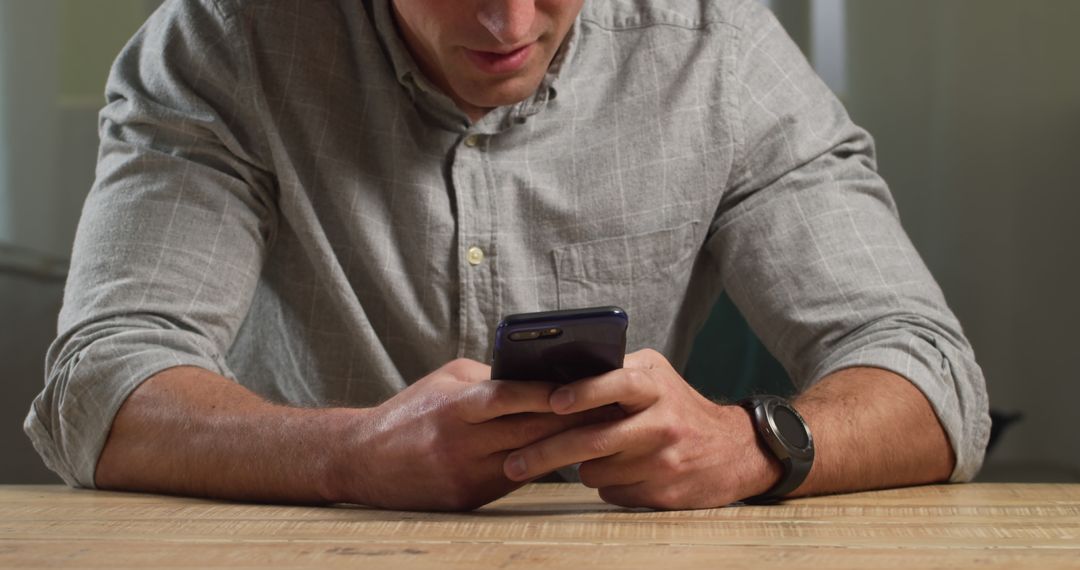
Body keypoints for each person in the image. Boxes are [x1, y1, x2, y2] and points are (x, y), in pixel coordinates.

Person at [25, 0, 989, 511]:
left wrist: (751, 446)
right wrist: (349, 458)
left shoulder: (719, 51)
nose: (510, 25)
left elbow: (931, 375)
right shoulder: (224, 41)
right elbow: (103, 384)